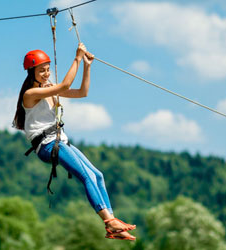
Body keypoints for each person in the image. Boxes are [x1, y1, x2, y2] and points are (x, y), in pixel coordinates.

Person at [12, 43, 136, 241]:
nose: (46, 73)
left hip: (59, 141)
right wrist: (77, 58)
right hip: (47, 145)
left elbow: (81, 92)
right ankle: (108, 221)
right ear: (31, 72)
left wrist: (86, 66)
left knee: (97, 175)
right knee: (86, 176)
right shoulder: (30, 94)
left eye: (47, 69)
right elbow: (65, 86)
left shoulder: (49, 89)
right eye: (41, 71)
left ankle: (112, 222)